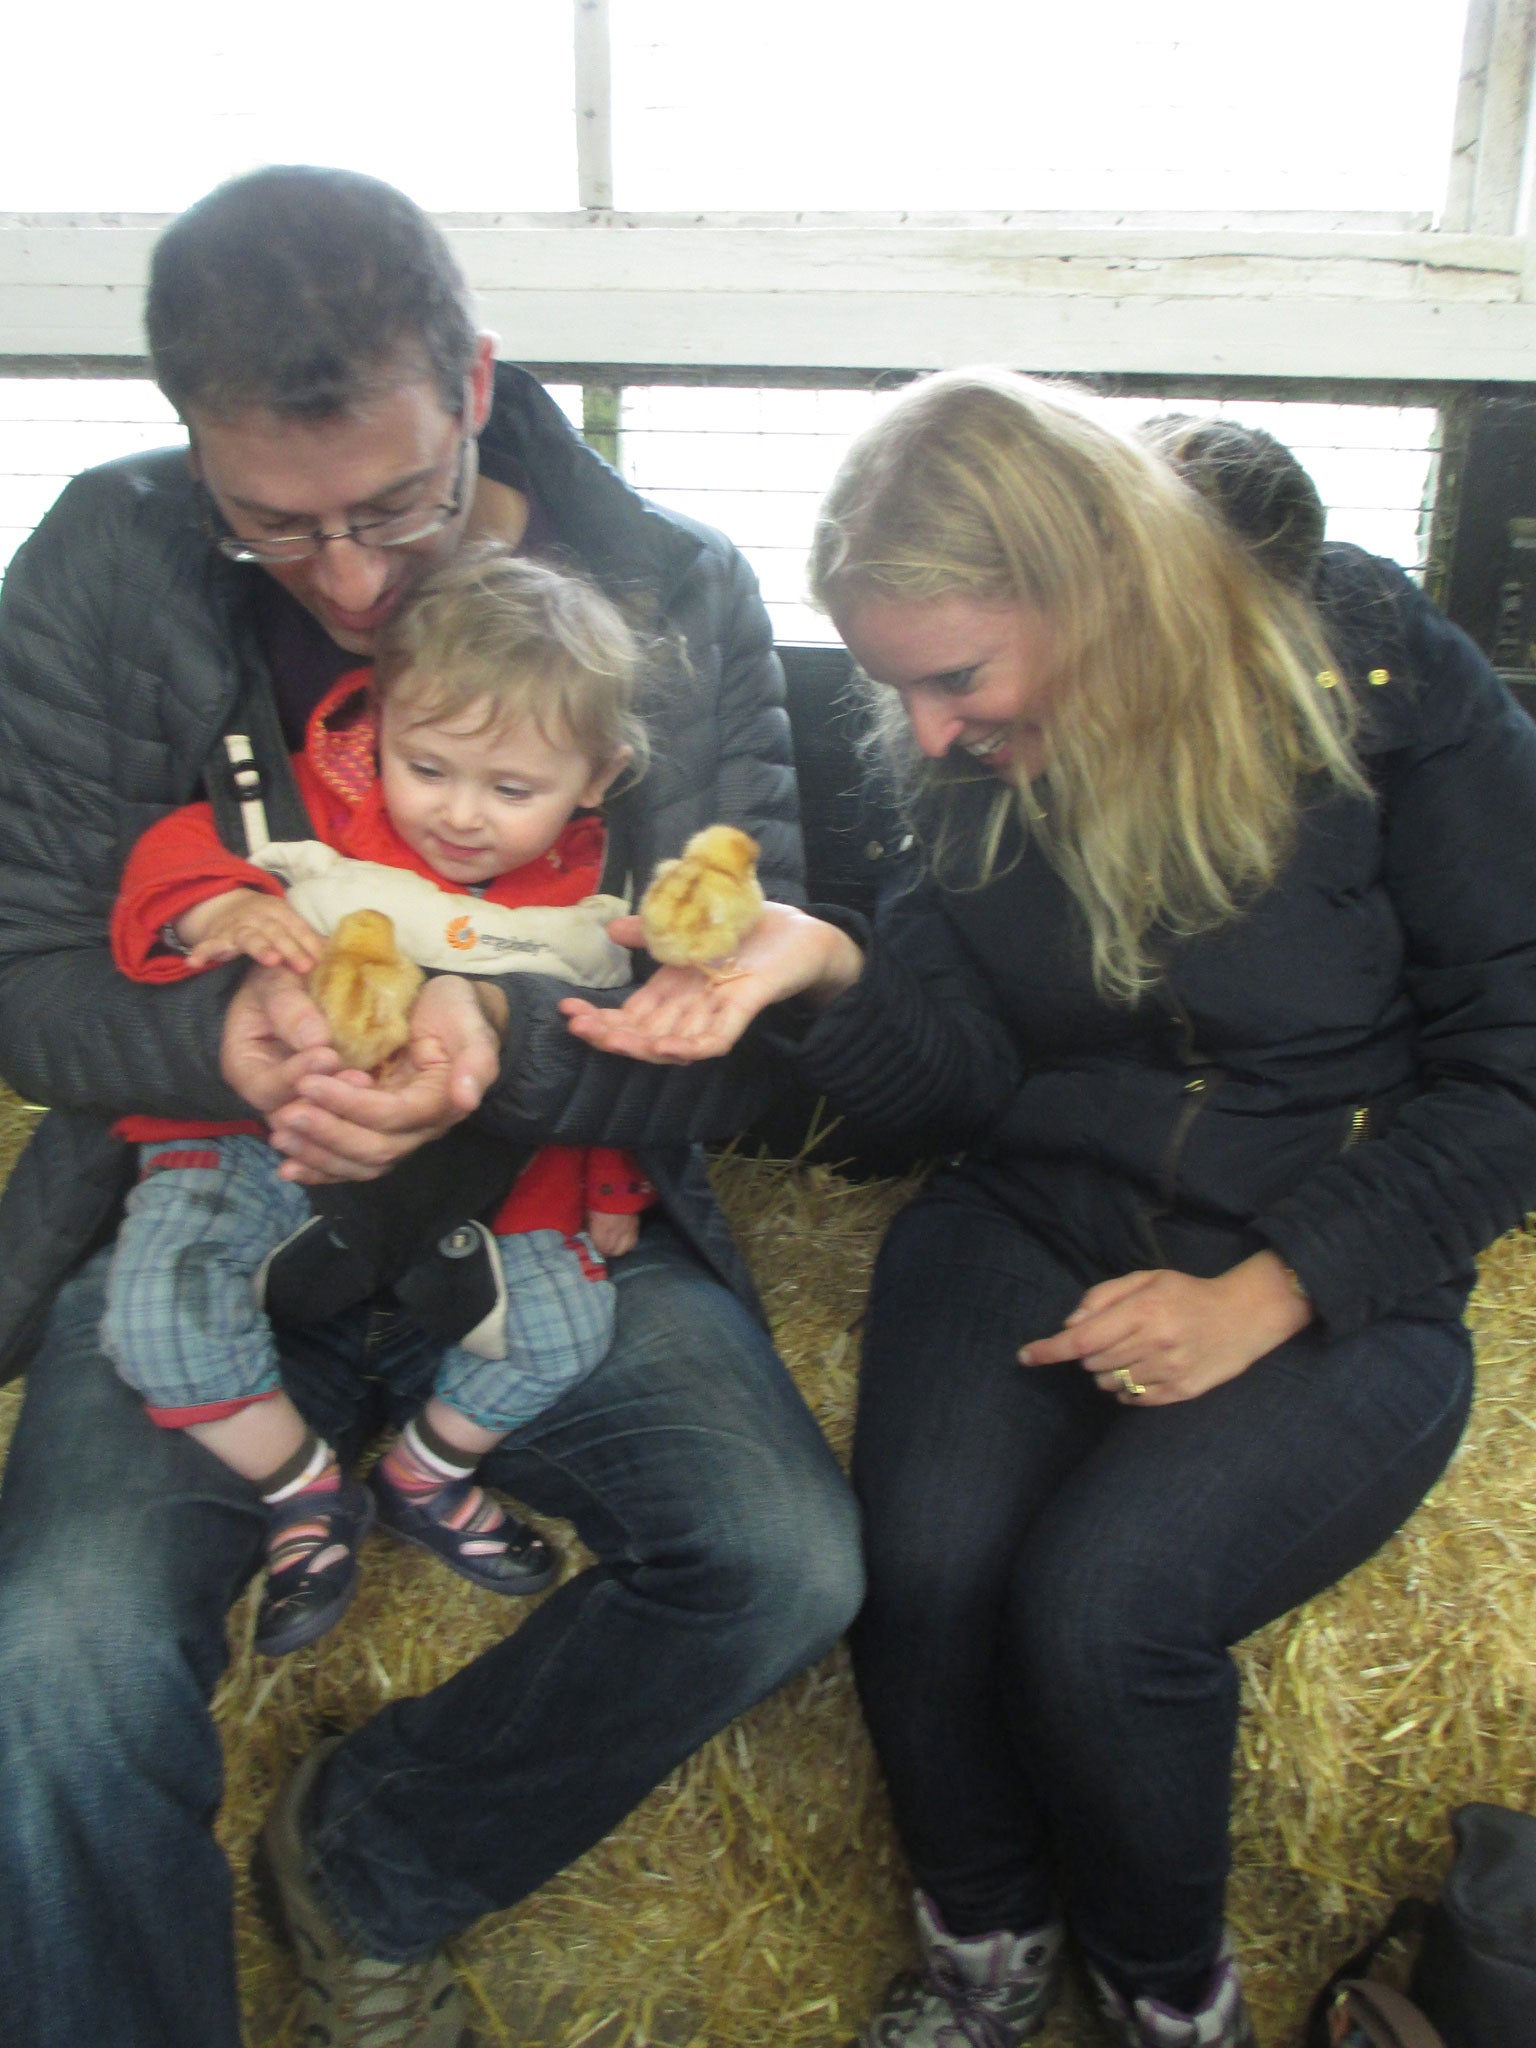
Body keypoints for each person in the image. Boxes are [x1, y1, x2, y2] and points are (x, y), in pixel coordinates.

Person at [563, 368, 1536, 2048]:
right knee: (923, 1564)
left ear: (1095, 585)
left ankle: (1168, 1997)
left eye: (954, 677)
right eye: (899, 689)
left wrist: (1273, 1287)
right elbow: (956, 1093)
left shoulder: (1371, 686)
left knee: (1102, 1609)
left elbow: (1516, 1063)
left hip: (1331, 1235)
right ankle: (986, 1952)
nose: (927, 730)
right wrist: (833, 963)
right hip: (1031, 1208)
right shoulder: (963, 760)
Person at [0, 166, 862, 2048]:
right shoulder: (98, 559)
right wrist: (223, 1036)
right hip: (204, 1190)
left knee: (784, 1563)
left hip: (552, 1204)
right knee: (48, 1663)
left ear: (476, 380)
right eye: (274, 524)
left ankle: (375, 1852)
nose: (355, 580)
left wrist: (502, 1044)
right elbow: (30, 976)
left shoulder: (679, 590)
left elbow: (737, 1032)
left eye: (392, 504)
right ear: (187, 444)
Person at [104, 545, 658, 1657]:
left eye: (512, 789)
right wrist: (215, 916)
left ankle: (425, 1470)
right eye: (428, 766)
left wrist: (610, 1173)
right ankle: (303, 1488)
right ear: (376, 726)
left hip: (492, 1168)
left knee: (569, 1326)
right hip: (262, 1142)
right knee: (149, 1318)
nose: (460, 815)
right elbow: (170, 858)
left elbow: (615, 1043)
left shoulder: (595, 893)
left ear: (594, 777)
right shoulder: (308, 811)